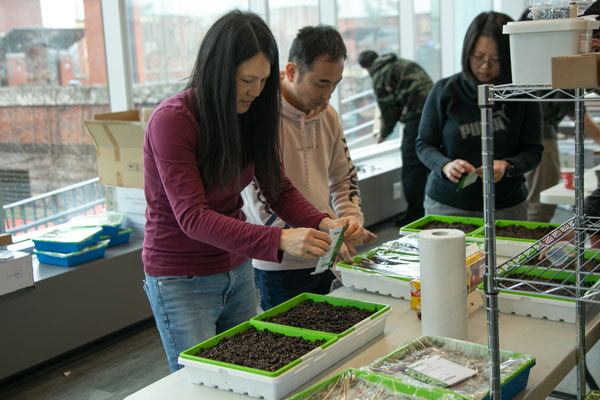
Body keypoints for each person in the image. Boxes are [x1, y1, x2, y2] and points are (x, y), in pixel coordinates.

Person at [142, 10, 372, 372]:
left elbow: (278, 189)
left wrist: (325, 222)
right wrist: (277, 240)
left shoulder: (251, 114)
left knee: (247, 374)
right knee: (200, 385)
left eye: (264, 80)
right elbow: (193, 217)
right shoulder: (172, 120)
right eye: (247, 79)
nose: (255, 90)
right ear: (217, 71)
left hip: (237, 268)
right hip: (181, 276)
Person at [241, 26, 376, 311]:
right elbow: (260, 203)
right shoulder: (259, 117)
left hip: (330, 254)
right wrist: (326, 238)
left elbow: (343, 178)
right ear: (291, 72)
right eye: (321, 83)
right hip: (279, 266)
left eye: (335, 84)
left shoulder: (329, 115)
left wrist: (350, 222)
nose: (328, 94)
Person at [416, 11, 543, 220]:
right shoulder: (445, 90)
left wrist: (507, 166)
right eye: (478, 57)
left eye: (495, 59)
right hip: (448, 204)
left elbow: (534, 150)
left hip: (506, 205)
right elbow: (424, 145)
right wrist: (446, 165)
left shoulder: (522, 93)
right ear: (467, 53)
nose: (485, 67)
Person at [519, 6, 600, 222]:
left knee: (535, 202)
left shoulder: (547, 62)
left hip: (537, 132)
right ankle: (533, 250)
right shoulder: (561, 64)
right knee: (538, 204)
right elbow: (579, 116)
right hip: (541, 135)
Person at [358, 50, 433, 226]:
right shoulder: (401, 62)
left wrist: (383, 133)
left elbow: (388, 108)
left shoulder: (379, 74)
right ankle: (433, 209)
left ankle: (415, 214)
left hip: (417, 115)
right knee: (431, 159)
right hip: (435, 111)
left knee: (411, 165)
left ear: (367, 68)